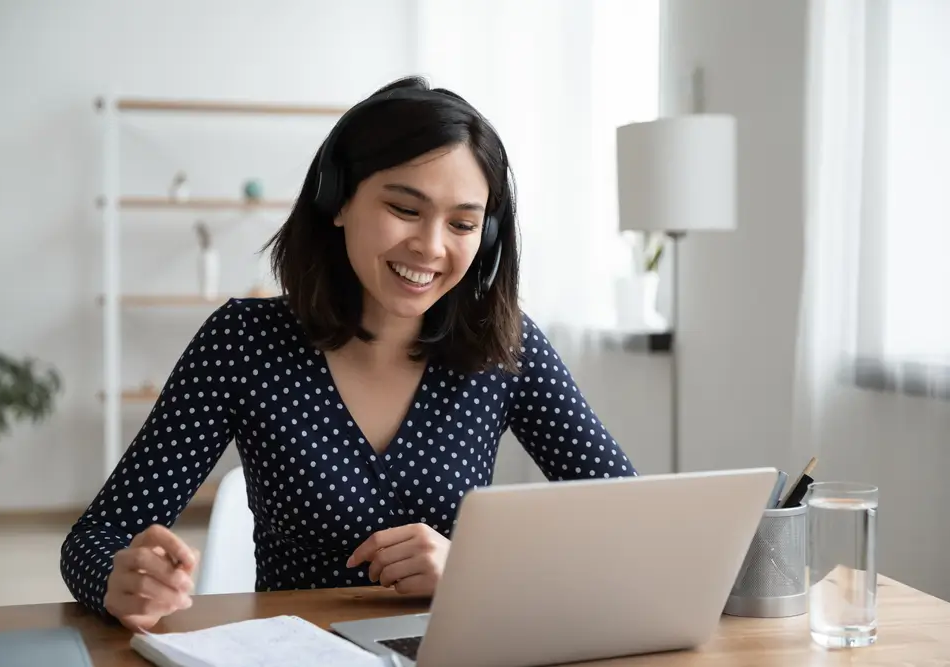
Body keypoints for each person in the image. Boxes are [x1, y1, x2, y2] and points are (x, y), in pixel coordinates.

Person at [60, 75, 637, 631]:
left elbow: (631, 521)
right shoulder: (243, 343)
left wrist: (473, 570)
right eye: (405, 209)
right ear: (337, 201)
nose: (431, 246)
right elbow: (93, 540)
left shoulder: (504, 345)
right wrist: (118, 579)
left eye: (462, 223)